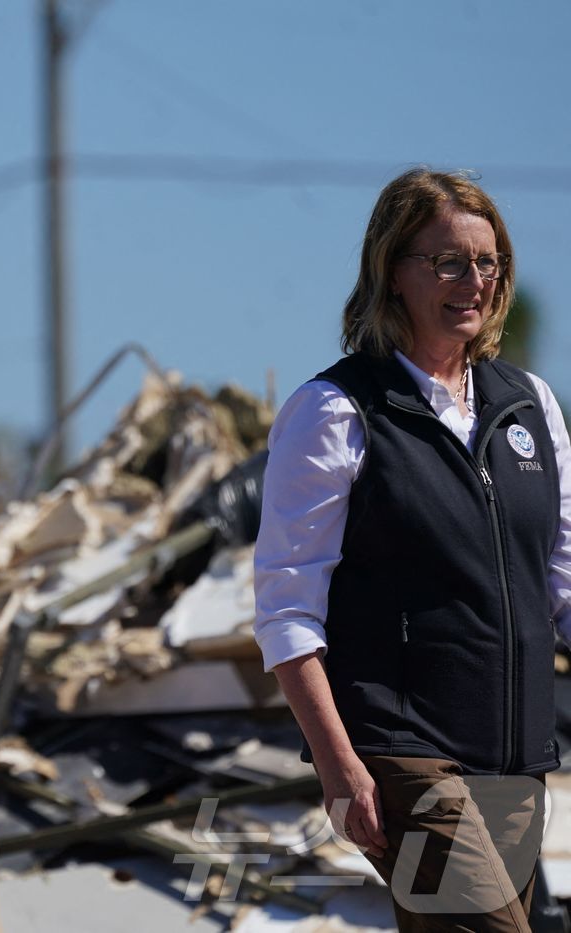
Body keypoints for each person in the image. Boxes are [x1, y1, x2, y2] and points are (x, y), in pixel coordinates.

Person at [254, 169, 571, 931]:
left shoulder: (529, 404)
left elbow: (562, 581)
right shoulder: (334, 411)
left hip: (515, 757)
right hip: (402, 751)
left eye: (487, 263)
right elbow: (286, 610)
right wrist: (339, 765)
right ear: (392, 273)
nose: (475, 282)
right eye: (448, 262)